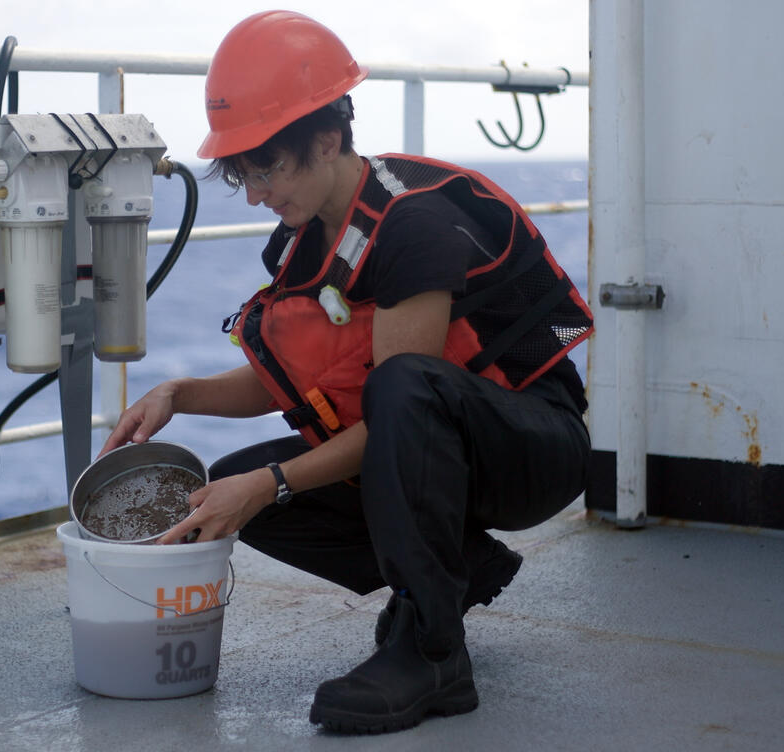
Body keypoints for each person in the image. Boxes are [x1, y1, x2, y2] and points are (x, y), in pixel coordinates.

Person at [98, 10, 594, 734]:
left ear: (328, 139)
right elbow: (300, 383)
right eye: (244, 174)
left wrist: (267, 486)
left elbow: (405, 408)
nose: (258, 192)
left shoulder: (413, 226)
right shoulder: (308, 241)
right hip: (442, 443)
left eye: (267, 168)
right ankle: (457, 567)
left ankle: (432, 650)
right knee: (230, 484)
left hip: (532, 448)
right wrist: (180, 396)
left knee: (358, 418)